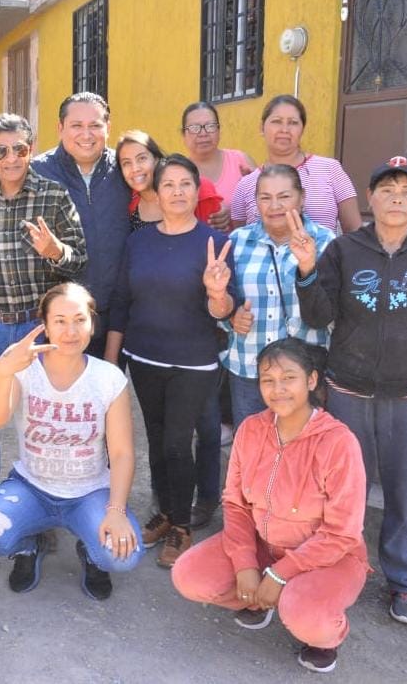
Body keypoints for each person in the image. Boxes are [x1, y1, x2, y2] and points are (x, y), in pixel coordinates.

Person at [294, 156, 407, 625]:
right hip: (348, 390)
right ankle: (339, 569)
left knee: (402, 490)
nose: (396, 197)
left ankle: (403, 580)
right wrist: (307, 269)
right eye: (386, 189)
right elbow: (318, 317)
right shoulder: (343, 248)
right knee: (343, 491)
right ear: (370, 198)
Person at [172, 338, 370, 674]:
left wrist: (281, 574)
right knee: (189, 576)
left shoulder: (338, 442)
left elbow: (341, 533)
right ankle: (262, 597)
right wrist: (246, 565)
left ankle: (321, 633)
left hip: (330, 558)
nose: (278, 389)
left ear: (311, 380)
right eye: (268, 380)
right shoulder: (251, 429)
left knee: (307, 616)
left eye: (288, 378)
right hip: (264, 546)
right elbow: (235, 504)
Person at [105, 154, 236, 567]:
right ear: (156, 194)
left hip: (194, 362)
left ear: (197, 191)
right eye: (169, 185)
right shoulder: (139, 241)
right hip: (144, 356)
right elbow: (123, 302)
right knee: (158, 442)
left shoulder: (211, 243)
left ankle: (182, 525)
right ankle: (165, 513)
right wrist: (111, 364)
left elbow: (226, 311)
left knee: (179, 443)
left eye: (185, 184)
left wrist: (217, 293)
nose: (177, 192)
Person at [0, 283, 143, 600]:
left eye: (80, 319)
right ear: (46, 326)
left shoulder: (108, 378)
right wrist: (3, 372)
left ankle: (92, 553)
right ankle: (30, 543)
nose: (70, 331)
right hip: (31, 487)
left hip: (89, 491)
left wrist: (116, 511)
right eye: (60, 321)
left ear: (92, 323)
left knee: (121, 556)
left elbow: (121, 453)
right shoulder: (24, 371)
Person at [0, 113, 87, 499]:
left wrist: (55, 251)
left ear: (32, 149)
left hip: (37, 329)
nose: (11, 158)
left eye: (20, 149)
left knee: (41, 419)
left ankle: (43, 500)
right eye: (1, 150)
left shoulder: (53, 195)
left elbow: (79, 259)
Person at [0, 92, 131, 357]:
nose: (86, 134)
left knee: (108, 391)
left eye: (95, 125)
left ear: (108, 127)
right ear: (60, 128)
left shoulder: (125, 170)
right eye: (76, 125)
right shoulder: (38, 171)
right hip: (61, 317)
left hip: (118, 312)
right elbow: (7, 169)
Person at [223, 164, 334, 432]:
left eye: (284, 197)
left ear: (302, 198)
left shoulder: (325, 241)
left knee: (304, 458)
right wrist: (230, 318)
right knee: (253, 455)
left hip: (305, 373)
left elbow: (333, 311)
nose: (274, 206)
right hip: (250, 368)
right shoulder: (237, 241)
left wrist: (307, 265)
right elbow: (222, 302)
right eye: (265, 197)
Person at [230, 95, 362, 233]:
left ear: (302, 129)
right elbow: (241, 242)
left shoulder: (330, 169)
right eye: (276, 121)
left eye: (293, 122)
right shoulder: (246, 185)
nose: (284, 130)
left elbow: (355, 232)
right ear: (262, 127)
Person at [117, 129, 223, 229]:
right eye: (126, 163)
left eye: (142, 158)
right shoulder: (127, 203)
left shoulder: (197, 190)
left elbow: (215, 237)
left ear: (156, 159)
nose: (135, 169)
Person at [180, 100, 257, 223]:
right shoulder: (178, 171)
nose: (203, 133)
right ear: (183, 134)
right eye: (194, 128)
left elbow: (263, 207)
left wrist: (234, 214)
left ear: (219, 130)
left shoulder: (241, 161)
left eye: (210, 126)